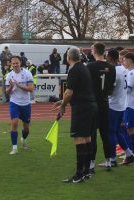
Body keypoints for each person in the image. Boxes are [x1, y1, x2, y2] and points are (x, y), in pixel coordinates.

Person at [53, 47, 97, 183]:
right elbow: (78, 91)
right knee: (87, 138)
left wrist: (62, 106)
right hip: (91, 106)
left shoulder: (74, 69)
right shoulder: (84, 67)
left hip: (82, 108)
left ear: (68, 57)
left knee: (79, 138)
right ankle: (86, 172)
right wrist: (63, 101)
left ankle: (79, 174)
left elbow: (69, 92)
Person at [87, 42, 116, 173]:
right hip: (105, 103)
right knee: (106, 134)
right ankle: (109, 162)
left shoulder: (90, 66)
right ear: (104, 51)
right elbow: (111, 89)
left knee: (92, 135)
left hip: (93, 104)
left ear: (94, 51)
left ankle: (91, 165)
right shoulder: (112, 67)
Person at [103, 49, 134, 168]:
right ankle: (128, 153)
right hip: (122, 104)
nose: (105, 59)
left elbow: (110, 91)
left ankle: (112, 159)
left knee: (110, 132)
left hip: (114, 105)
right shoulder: (123, 68)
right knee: (117, 131)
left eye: (106, 57)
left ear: (110, 58)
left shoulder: (114, 70)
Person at [5, 56, 34, 155]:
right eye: (13, 63)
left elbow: (30, 89)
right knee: (14, 123)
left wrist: (18, 85)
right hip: (14, 103)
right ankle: (14, 148)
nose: (15, 65)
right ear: (11, 64)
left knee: (26, 128)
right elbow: (7, 92)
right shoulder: (9, 75)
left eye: (16, 63)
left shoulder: (27, 73)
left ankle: (23, 139)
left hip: (26, 104)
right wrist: (11, 86)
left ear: (20, 63)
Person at [121, 53, 134, 164]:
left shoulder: (133, 73)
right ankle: (131, 153)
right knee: (127, 129)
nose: (123, 62)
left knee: (131, 130)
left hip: (131, 105)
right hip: (128, 105)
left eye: (124, 60)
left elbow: (127, 90)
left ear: (129, 61)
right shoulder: (131, 72)